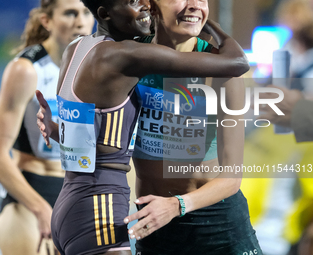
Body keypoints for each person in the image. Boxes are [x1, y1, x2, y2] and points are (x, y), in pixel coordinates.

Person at [36, 0, 251, 254]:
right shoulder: (132, 57)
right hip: (152, 223)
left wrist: (176, 205)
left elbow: (232, 178)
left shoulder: (220, 71)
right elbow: (104, 133)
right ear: (152, 5)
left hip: (213, 224)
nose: (194, 5)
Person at [0, 1, 94, 254]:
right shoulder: (26, 70)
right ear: (47, 21)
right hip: (35, 187)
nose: (80, 20)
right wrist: (41, 209)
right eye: (70, 13)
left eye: (86, 12)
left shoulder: (96, 66)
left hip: (80, 186)